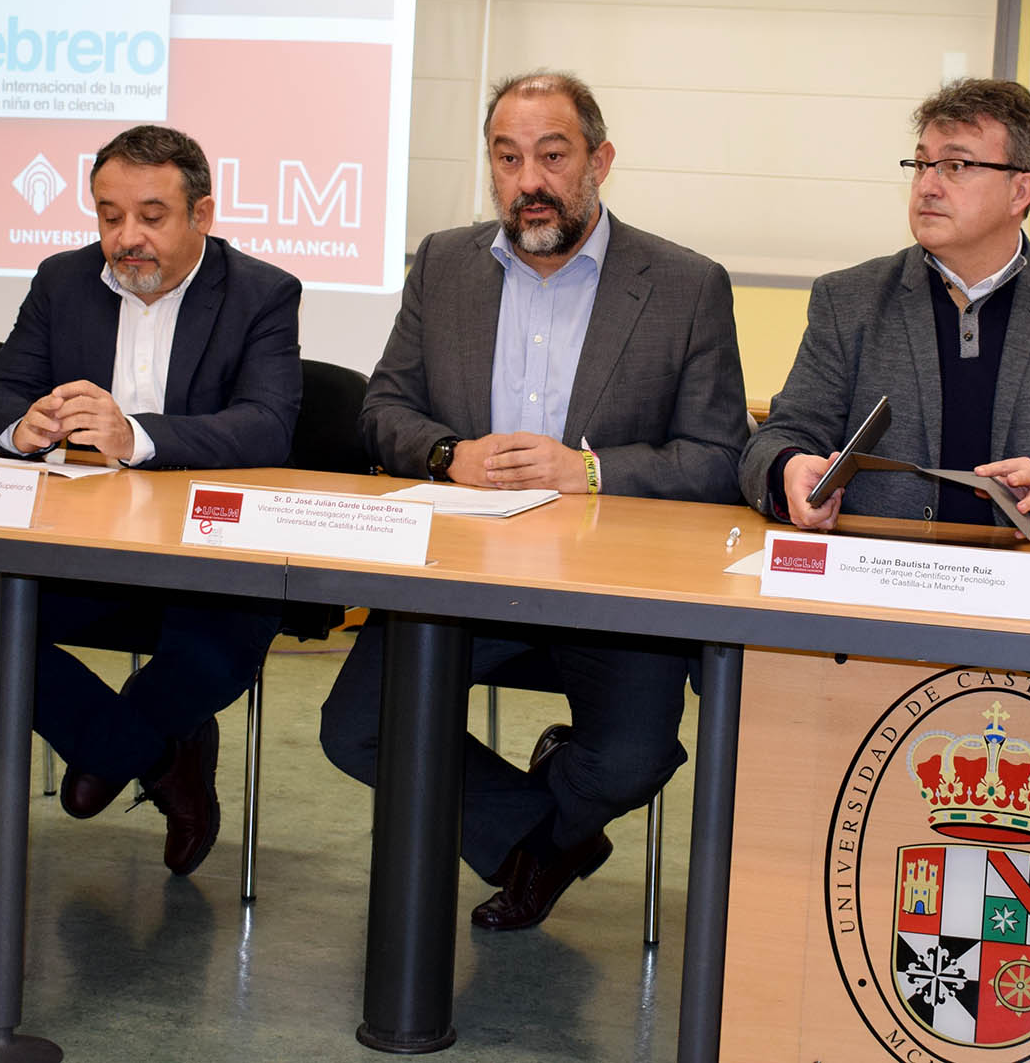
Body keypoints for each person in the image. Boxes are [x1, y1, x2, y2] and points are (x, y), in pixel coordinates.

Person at [319, 70, 748, 930]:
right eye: (507, 158)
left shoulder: (683, 284)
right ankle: (544, 838)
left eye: (551, 156)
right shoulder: (445, 263)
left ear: (600, 160)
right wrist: (450, 453)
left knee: (630, 760)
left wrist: (585, 473)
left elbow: (717, 458)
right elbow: (382, 411)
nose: (528, 182)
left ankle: (547, 817)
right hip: (464, 573)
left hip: (614, 587)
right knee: (356, 728)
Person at [0, 124, 302, 876]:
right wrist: (25, 427)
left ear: (201, 216)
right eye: (110, 216)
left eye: (151, 216)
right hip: (87, 550)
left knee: (223, 642)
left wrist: (136, 438)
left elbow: (267, 426)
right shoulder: (63, 280)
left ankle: (109, 749)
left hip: (208, 561)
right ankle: (158, 751)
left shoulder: (260, 294)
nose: (127, 237)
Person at [740, 78, 1030, 537]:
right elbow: (776, 439)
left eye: (955, 165)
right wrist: (789, 470)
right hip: (880, 577)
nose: (927, 186)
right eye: (921, 164)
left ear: (1020, 192)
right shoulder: (850, 300)